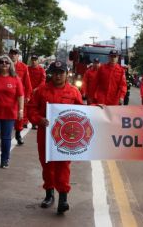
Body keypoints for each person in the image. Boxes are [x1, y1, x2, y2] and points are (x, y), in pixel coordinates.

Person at [27, 60, 83, 214]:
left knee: (63, 166)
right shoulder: (40, 91)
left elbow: (82, 112)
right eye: (55, 73)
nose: (58, 76)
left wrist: (97, 110)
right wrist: (39, 119)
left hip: (66, 137)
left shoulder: (73, 92)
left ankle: (63, 198)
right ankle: (49, 194)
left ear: (66, 74)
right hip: (45, 136)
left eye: (61, 73)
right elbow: (31, 109)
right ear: (51, 74)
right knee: (47, 166)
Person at [0, 55, 24, 168]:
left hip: (9, 113)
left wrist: (21, 110)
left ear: (10, 65)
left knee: (6, 137)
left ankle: (4, 160)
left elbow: (20, 95)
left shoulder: (15, 79)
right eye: (1, 62)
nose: (4, 64)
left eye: (6, 62)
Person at [9, 48, 32, 145]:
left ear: (18, 56)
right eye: (12, 53)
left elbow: (27, 82)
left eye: (15, 54)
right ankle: (6, 135)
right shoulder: (4, 65)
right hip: (7, 95)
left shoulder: (23, 67)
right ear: (9, 54)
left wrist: (27, 95)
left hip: (18, 96)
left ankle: (18, 134)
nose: (13, 55)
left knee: (19, 116)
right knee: (7, 116)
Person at [28, 54, 46, 129]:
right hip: (28, 90)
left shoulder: (41, 70)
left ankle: (34, 123)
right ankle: (25, 122)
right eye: (32, 60)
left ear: (38, 61)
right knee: (27, 106)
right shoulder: (27, 69)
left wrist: (37, 88)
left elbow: (43, 81)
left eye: (35, 60)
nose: (34, 61)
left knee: (35, 107)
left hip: (37, 91)